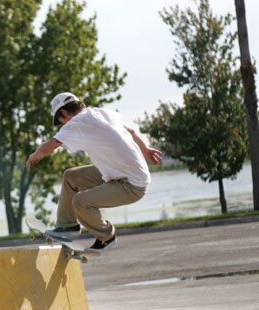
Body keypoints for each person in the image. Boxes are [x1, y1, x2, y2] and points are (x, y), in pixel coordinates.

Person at [26, 92, 163, 253]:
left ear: (63, 113)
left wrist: (34, 156)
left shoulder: (76, 122)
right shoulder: (103, 112)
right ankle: (67, 226)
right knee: (71, 177)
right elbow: (131, 132)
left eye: (61, 121)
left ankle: (107, 236)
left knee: (81, 202)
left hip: (132, 185)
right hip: (122, 172)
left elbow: (50, 145)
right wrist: (145, 150)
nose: (63, 125)